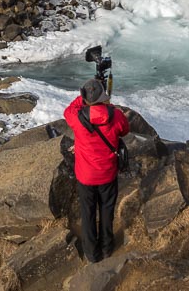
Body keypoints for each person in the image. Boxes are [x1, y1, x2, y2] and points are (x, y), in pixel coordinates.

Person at [64, 78, 130, 263]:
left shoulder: (77, 118)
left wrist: (82, 98)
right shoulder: (115, 115)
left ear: (86, 99)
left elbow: (67, 111)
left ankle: (92, 254)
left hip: (85, 177)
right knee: (107, 212)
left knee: (88, 214)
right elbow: (125, 130)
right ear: (103, 96)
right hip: (108, 174)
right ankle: (107, 248)